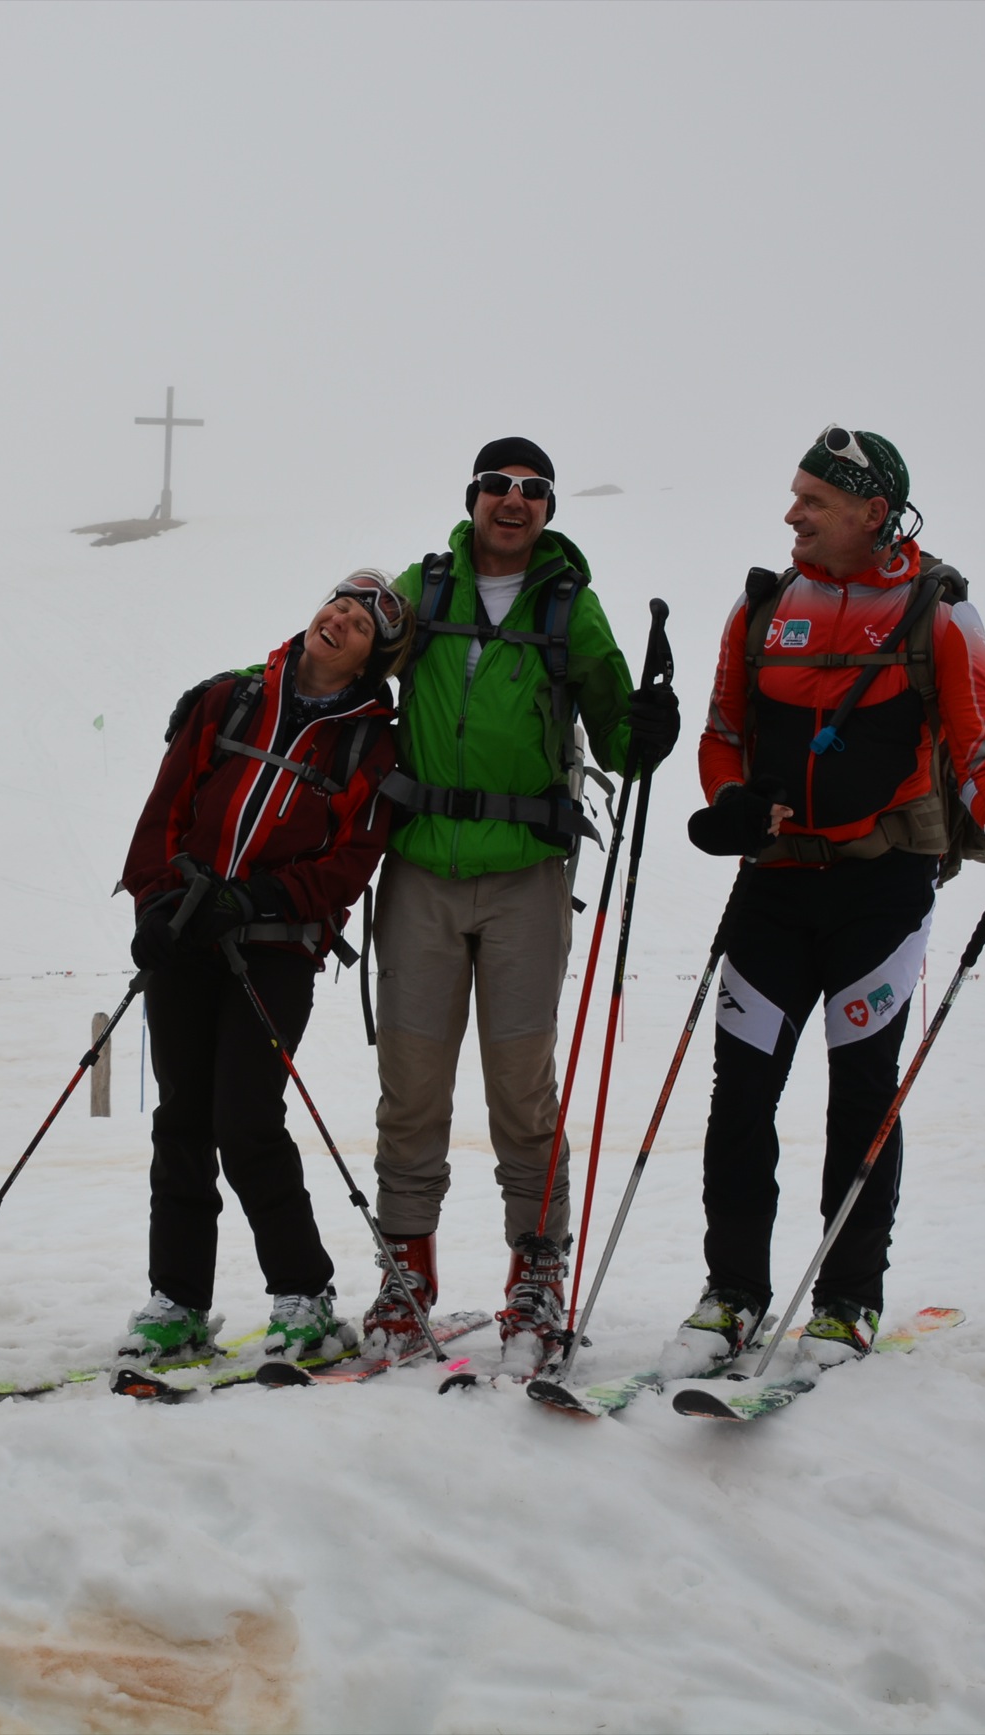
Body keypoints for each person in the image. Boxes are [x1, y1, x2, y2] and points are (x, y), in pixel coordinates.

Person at [676, 425, 985, 1369]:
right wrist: (731, 805)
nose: (792, 514)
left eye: (812, 501)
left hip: (882, 885)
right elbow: (722, 734)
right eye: (795, 495)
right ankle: (731, 1294)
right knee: (742, 1092)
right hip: (776, 882)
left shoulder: (939, 613)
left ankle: (847, 1299)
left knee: (863, 1090)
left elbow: (979, 752)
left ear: (872, 511)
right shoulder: (762, 607)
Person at [363, 439, 683, 1367]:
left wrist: (648, 729)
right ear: (472, 497)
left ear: (548, 508)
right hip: (420, 868)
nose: (515, 500)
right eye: (499, 485)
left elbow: (618, 739)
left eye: (533, 489)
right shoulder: (423, 591)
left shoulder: (570, 606)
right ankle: (407, 1270)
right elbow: (341, 656)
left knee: (521, 1087)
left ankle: (537, 1269)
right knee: (411, 1084)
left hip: (526, 877)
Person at [116, 573, 409, 1365]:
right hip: (186, 930)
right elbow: (166, 806)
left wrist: (256, 897)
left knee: (245, 1118)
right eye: (338, 605)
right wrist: (153, 902)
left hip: (275, 948)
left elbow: (350, 862)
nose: (340, 618)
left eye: (361, 623)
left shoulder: (371, 743)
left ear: (371, 659)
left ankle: (304, 1295)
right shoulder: (230, 700)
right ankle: (177, 1301)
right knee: (181, 1118)